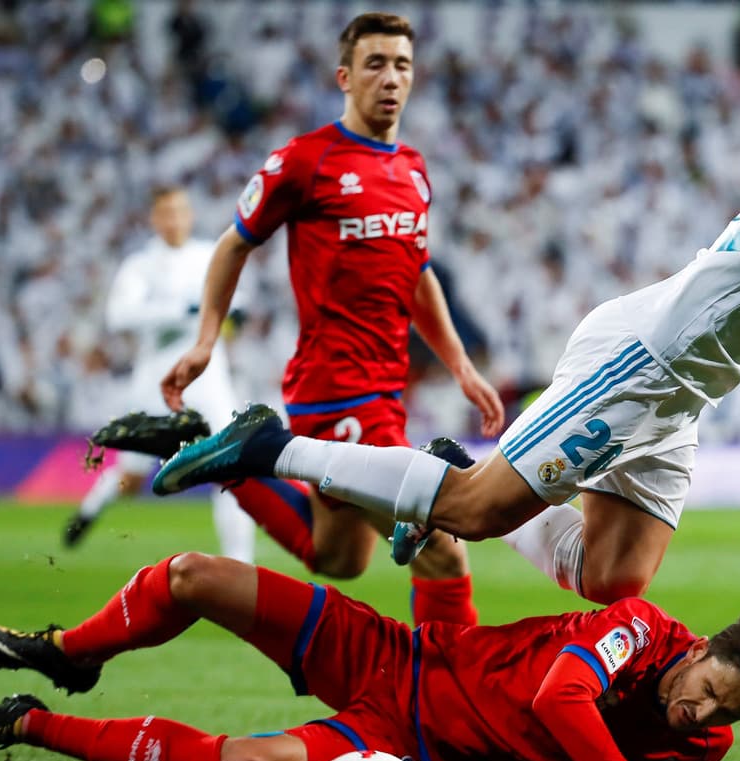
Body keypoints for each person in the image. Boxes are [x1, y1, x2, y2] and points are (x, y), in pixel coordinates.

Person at [154, 38, 740, 605]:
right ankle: (275, 449)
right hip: (648, 359)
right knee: (479, 513)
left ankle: (444, 465)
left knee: (613, 578)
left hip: (684, 386)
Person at [135, 13, 505, 626]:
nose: (391, 78)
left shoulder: (412, 169)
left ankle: (238, 457)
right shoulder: (306, 161)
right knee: (441, 544)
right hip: (337, 391)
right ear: (345, 76)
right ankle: (451, 706)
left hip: (385, 390)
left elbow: (416, 272)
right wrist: (205, 342)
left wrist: (460, 365)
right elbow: (232, 245)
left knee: (340, 559)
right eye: (376, 64)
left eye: (402, 65)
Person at [0, 551, 740, 761]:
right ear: (701, 647)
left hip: (408, 760)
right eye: (710, 685)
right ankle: (73, 652)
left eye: (728, 711)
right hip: (398, 657)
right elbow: (559, 698)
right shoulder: (642, 625)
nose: (703, 709)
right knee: (191, 577)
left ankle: (23, 723)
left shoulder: (700, 743)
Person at [63, 186, 255, 562]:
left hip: (208, 376)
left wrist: (226, 310)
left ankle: (242, 564)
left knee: (234, 467)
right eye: (166, 213)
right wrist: (185, 309)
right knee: (132, 477)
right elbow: (120, 316)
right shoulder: (140, 265)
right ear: (155, 219)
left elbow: (238, 299)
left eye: (180, 211)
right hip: (155, 377)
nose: (175, 219)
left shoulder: (209, 255)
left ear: (190, 215)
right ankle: (90, 509)